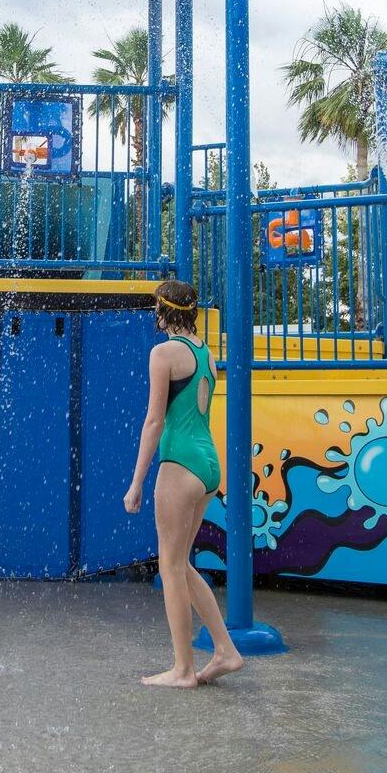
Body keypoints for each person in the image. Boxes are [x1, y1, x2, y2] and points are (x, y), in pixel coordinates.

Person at [124, 280, 245, 689]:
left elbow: (155, 421)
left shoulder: (163, 354)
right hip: (208, 464)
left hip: (180, 464)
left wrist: (136, 481)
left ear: (163, 312)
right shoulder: (205, 353)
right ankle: (225, 650)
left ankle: (182, 669)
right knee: (182, 563)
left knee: (170, 566)